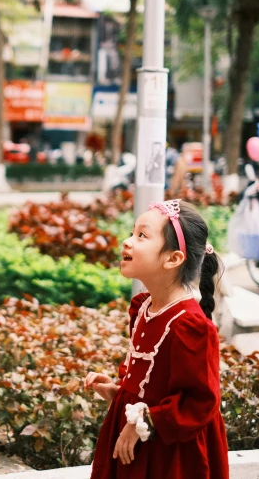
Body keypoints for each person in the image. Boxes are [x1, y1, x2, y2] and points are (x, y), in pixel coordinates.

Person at [85, 200, 229, 479]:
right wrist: (119, 392)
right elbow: (153, 386)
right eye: (131, 232)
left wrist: (146, 419)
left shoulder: (190, 325)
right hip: (133, 434)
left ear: (173, 258)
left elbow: (200, 403)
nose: (127, 242)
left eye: (141, 235)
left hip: (170, 455)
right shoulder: (143, 307)